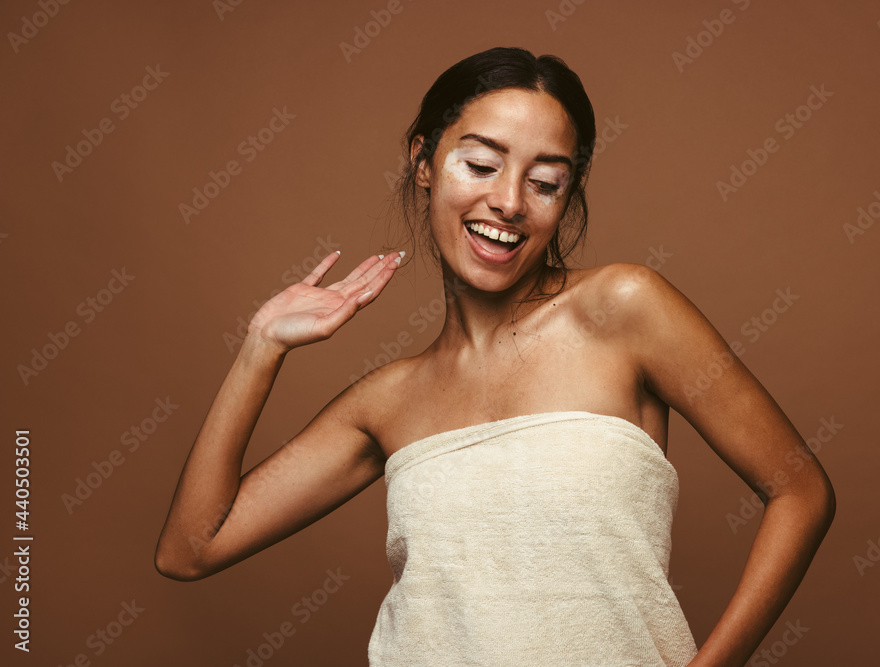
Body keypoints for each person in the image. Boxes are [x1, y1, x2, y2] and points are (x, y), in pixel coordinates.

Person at [155, 47, 835, 666]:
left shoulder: (623, 309)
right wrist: (261, 347)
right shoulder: (386, 401)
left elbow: (800, 490)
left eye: (545, 182)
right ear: (424, 163)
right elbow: (190, 548)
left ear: (569, 194)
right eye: (480, 165)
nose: (507, 201)